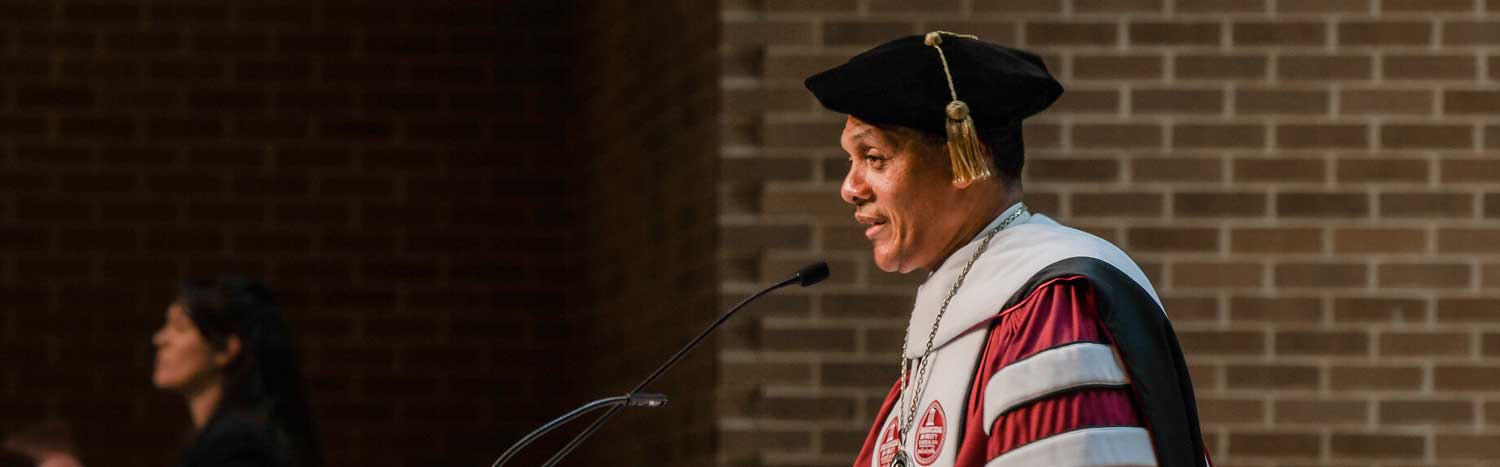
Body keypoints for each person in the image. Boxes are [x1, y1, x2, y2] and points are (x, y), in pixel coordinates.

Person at [805, 32, 1209, 467]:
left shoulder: (1051, 310)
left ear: (965, 161)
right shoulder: (958, 308)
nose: (850, 188)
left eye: (875, 157)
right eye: (851, 160)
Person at [5, 278, 322, 467]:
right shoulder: (223, 438)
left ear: (227, 349)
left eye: (180, 328)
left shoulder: (240, 448)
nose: (160, 339)